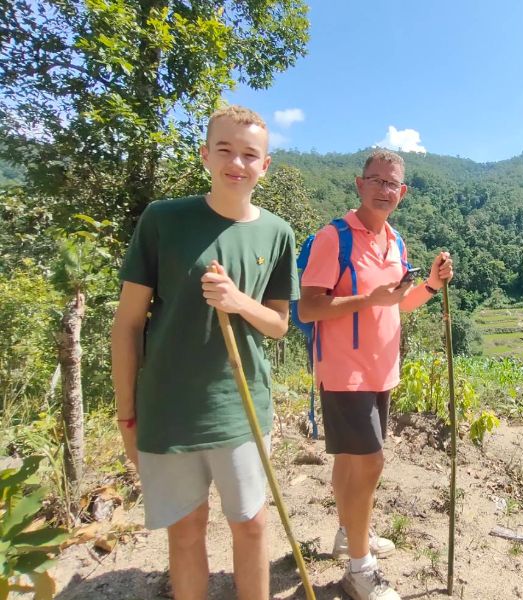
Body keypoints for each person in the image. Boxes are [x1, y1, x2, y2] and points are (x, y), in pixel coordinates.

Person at [111, 105, 299, 600]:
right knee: (187, 529)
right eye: (225, 150)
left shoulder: (277, 233)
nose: (236, 163)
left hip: (240, 407)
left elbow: (279, 325)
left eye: (249, 154)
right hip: (169, 409)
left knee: (252, 524)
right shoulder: (163, 220)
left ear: (265, 166)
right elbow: (128, 324)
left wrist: (238, 302)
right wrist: (127, 415)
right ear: (205, 156)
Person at [299, 149, 453, 600]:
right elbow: (310, 306)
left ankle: (349, 538)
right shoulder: (334, 238)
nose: (385, 190)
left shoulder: (395, 242)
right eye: (377, 180)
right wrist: (369, 299)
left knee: (351, 460)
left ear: (402, 193)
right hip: (345, 370)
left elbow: (396, 302)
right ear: (359, 184)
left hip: (381, 368)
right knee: (371, 461)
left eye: (393, 184)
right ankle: (360, 571)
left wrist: (430, 286)